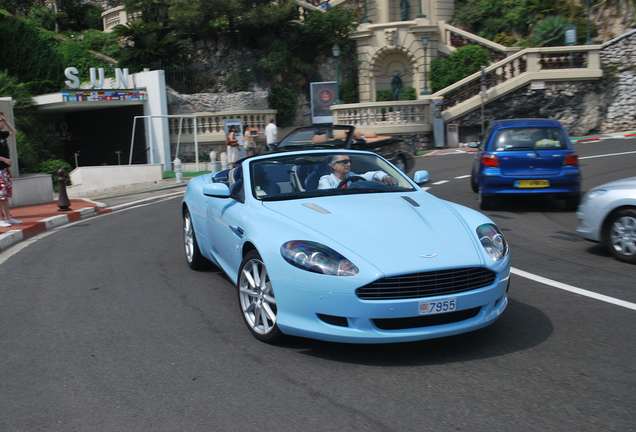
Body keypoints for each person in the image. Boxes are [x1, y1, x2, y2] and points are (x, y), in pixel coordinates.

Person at [318, 154, 398, 189]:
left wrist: (386, 177)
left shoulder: (352, 176)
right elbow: (327, 193)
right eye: (345, 162)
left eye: (349, 161)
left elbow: (374, 174)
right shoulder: (326, 179)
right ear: (334, 166)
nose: (348, 164)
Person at [0, 112, 20, 228]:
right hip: (0, 169)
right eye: (1, 121)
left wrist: (7, 122)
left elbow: (14, 132)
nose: (2, 122)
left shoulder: (2, 134)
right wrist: (5, 160)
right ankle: (1, 219)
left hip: (4, 169)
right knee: (0, 195)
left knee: (5, 195)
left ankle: (8, 217)